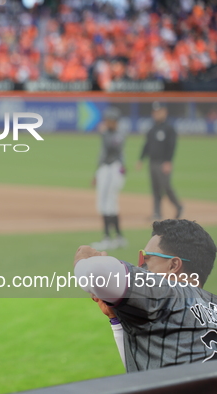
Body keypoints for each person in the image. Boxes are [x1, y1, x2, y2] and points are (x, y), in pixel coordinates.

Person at [74, 219, 217, 372]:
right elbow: (142, 371)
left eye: (145, 258)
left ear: (173, 265)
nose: (140, 266)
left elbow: (96, 273)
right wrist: (116, 321)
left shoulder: (166, 293)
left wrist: (84, 258)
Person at [137, 101, 183, 220]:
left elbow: (172, 145)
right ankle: (157, 213)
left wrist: (168, 161)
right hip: (152, 162)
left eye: (159, 111)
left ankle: (178, 206)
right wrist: (141, 159)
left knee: (166, 186)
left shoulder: (168, 128)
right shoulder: (152, 128)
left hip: (163, 162)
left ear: (164, 112)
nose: (156, 114)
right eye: (155, 112)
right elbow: (147, 145)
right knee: (155, 189)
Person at [91, 106, 128, 250]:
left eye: (109, 120)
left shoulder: (118, 134)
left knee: (107, 203)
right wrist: (96, 174)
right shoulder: (108, 133)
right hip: (106, 169)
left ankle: (108, 238)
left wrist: (104, 133)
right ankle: (118, 237)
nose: (106, 122)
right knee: (107, 203)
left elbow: (112, 148)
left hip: (114, 169)